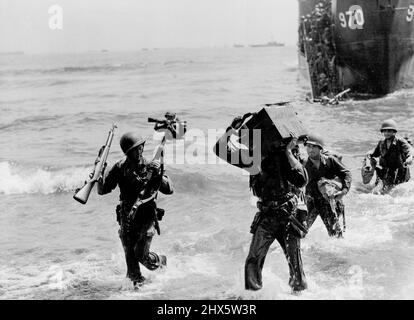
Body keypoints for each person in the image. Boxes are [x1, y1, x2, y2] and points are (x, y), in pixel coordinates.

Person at [213, 117, 309, 293]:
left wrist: (288, 151)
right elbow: (220, 149)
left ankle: (299, 293)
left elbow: (302, 179)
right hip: (267, 216)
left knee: (295, 262)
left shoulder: (283, 157)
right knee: (253, 259)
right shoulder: (252, 160)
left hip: (288, 214)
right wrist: (231, 131)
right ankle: (253, 296)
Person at [97, 132, 173, 288]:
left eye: (140, 148)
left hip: (146, 217)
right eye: (134, 149)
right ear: (127, 152)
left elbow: (169, 189)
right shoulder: (119, 167)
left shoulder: (150, 166)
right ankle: (138, 290)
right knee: (132, 269)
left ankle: (160, 261)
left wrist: (158, 173)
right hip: (127, 218)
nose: (139, 152)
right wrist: (98, 171)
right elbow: (103, 189)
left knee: (141, 255)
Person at [304, 134, 351, 237]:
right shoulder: (303, 164)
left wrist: (344, 191)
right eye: (308, 146)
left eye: (314, 147)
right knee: (300, 232)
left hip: (329, 203)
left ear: (320, 149)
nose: (310, 150)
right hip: (311, 202)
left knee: (336, 236)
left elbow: (346, 173)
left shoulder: (330, 161)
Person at [367, 119, 413, 192]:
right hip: (385, 171)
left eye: (389, 131)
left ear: (394, 132)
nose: (387, 133)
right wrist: (368, 155)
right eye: (385, 131)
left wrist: (410, 157)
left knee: (395, 191)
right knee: (380, 191)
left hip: (399, 172)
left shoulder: (400, 141)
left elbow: (410, 150)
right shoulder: (381, 143)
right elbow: (374, 154)